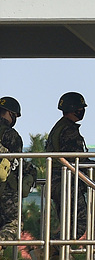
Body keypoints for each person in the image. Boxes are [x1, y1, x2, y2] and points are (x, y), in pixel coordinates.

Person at [45, 92, 90, 254]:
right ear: (72, 109)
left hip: (60, 183)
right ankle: (49, 250)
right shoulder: (69, 130)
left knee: (67, 224)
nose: (82, 110)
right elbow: (77, 159)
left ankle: (54, 251)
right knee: (78, 225)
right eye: (79, 108)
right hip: (67, 183)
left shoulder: (60, 127)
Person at [0, 96, 34, 244]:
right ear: (9, 113)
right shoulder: (10, 135)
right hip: (5, 190)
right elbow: (16, 163)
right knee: (13, 225)